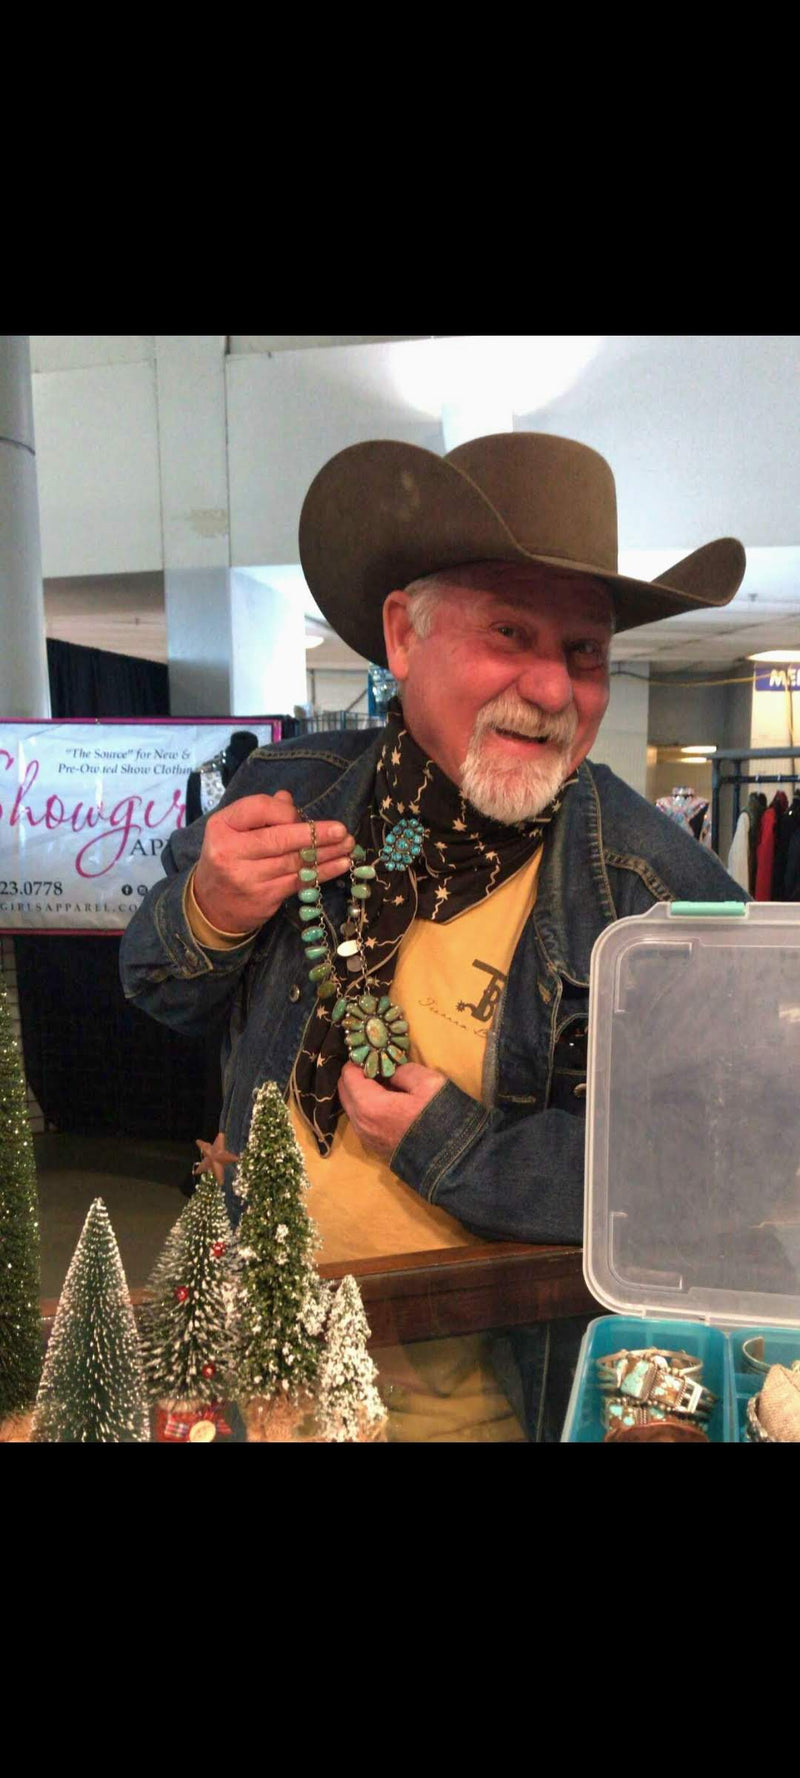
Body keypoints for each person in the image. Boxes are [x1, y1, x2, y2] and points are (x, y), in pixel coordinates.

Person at [120, 431, 749, 1438]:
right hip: (259, 1396)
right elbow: (154, 982)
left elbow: (719, 1172)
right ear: (403, 637)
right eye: (511, 633)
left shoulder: (643, 882)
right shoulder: (287, 792)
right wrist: (209, 911)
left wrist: (460, 1149)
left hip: (497, 1413)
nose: (552, 690)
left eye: (582, 651)